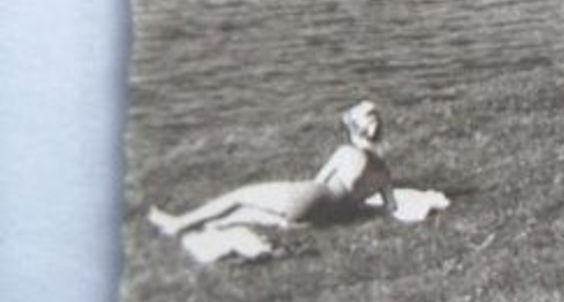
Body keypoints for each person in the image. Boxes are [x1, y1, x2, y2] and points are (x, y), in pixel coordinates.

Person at [148, 101, 396, 236]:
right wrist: (363, 209)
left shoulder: (346, 152)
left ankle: (179, 223)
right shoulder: (384, 172)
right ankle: (210, 224)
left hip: (314, 198)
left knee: (241, 196)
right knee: (253, 209)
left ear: (353, 130)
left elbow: (318, 181)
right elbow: (389, 208)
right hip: (327, 217)